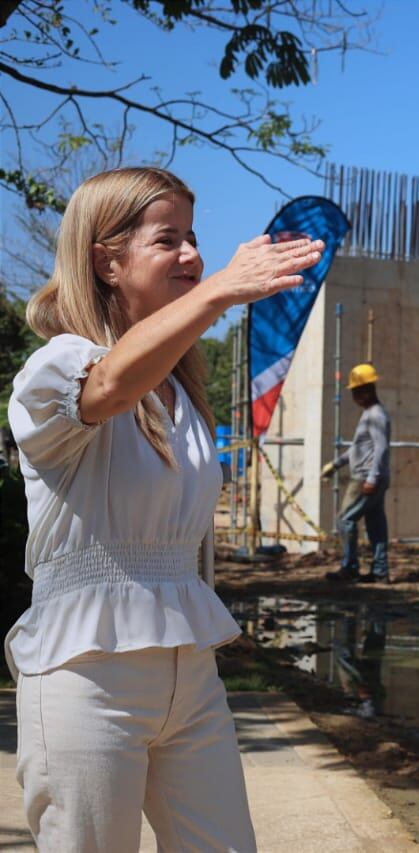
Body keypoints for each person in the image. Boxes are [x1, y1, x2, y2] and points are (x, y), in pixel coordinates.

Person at [6, 166, 323, 849]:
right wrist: (217, 294)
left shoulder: (182, 390)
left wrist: (207, 303)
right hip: (86, 673)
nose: (193, 254)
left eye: (194, 237)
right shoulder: (56, 367)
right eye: (168, 238)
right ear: (107, 259)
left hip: (189, 667)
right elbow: (110, 386)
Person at [323, 363, 392, 583]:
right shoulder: (369, 414)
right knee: (375, 524)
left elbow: (381, 448)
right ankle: (380, 571)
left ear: (365, 391)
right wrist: (336, 464)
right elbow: (358, 449)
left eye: (355, 391)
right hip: (371, 476)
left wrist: (371, 478)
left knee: (345, 520)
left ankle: (350, 567)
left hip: (366, 478)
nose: (353, 396)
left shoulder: (375, 415)